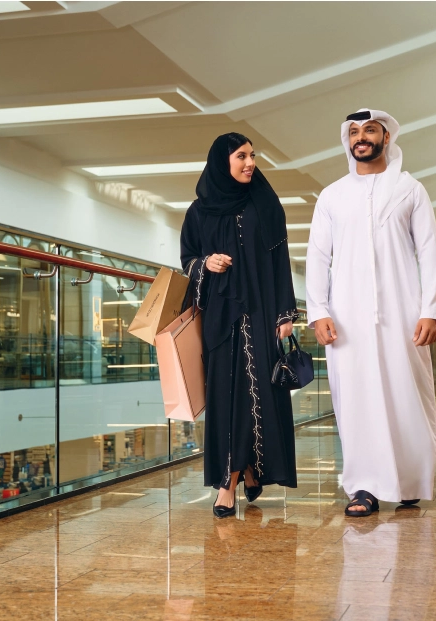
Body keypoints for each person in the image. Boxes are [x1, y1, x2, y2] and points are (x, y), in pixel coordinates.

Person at [306, 109, 436, 516]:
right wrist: (318, 311)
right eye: (353, 132)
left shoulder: (410, 190)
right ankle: (363, 487)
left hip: (403, 313)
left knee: (408, 393)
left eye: (369, 130)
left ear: (387, 137)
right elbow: (317, 257)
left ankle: (409, 480)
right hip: (345, 317)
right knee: (354, 397)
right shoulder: (331, 195)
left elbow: (430, 251)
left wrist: (431, 310)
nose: (360, 137)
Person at [181, 133, 298, 518]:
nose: (250, 163)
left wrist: (286, 314)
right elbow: (188, 260)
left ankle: (244, 473)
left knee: (260, 392)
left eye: (252, 155)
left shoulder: (265, 204)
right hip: (221, 317)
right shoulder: (199, 211)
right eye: (241, 156)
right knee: (227, 397)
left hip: (263, 314)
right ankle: (232, 477)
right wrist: (205, 265)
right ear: (221, 161)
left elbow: (280, 261)